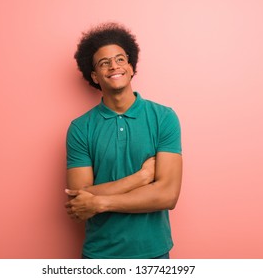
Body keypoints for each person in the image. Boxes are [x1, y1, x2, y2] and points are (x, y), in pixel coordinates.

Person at [65, 22, 182, 259]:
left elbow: (168, 195)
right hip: (99, 256)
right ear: (95, 76)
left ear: (130, 67)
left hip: (154, 255)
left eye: (120, 59)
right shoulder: (80, 128)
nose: (113, 66)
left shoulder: (164, 118)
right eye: (104, 62)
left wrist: (100, 203)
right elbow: (79, 198)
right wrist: (142, 177)